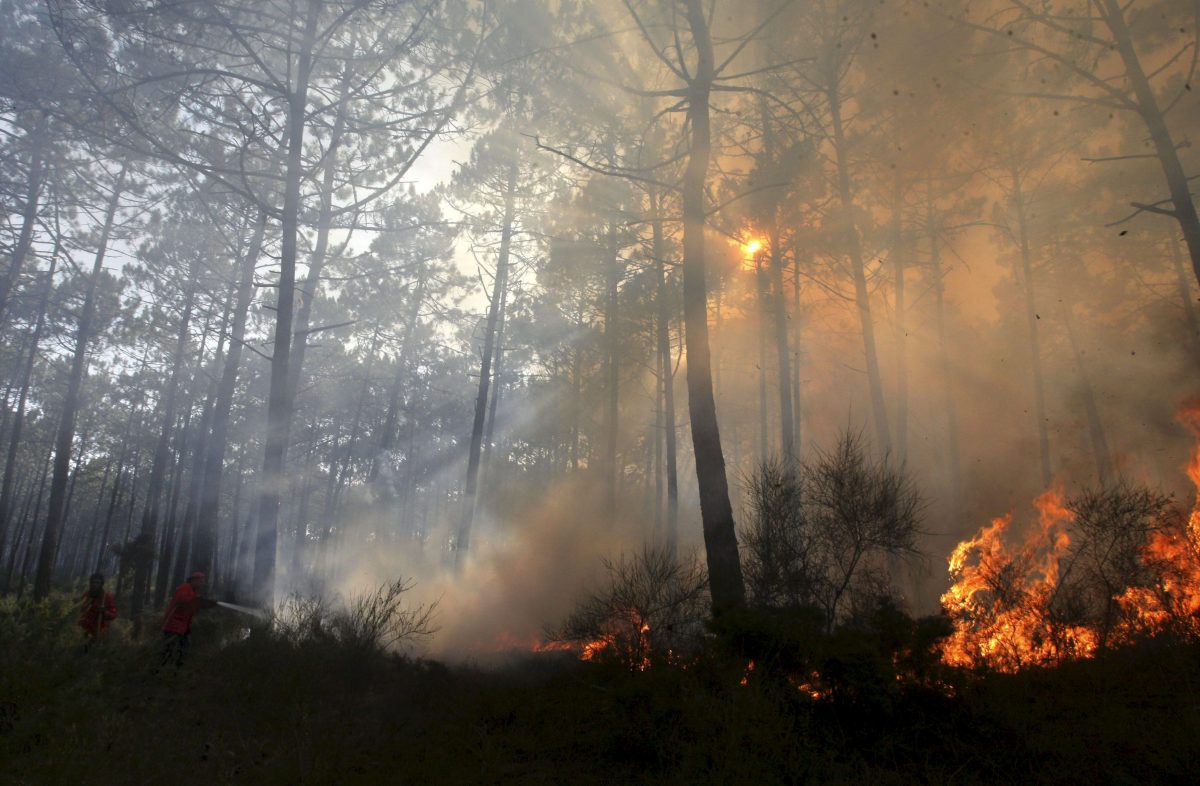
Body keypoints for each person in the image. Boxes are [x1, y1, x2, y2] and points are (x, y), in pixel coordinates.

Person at [160, 571, 216, 668]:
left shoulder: (193, 592)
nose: (202, 584)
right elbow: (184, 600)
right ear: (193, 580)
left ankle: (176, 670)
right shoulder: (184, 588)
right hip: (173, 625)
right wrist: (199, 600)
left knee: (184, 648)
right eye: (200, 581)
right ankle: (159, 670)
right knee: (168, 650)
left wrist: (208, 604)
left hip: (183, 626)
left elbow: (194, 605)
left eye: (202, 582)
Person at [78, 572, 117, 649]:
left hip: (98, 631)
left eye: (97, 582)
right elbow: (80, 610)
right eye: (93, 582)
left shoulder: (107, 597)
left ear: (101, 584)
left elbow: (113, 614)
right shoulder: (86, 595)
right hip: (83, 630)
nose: (95, 584)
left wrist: (104, 612)